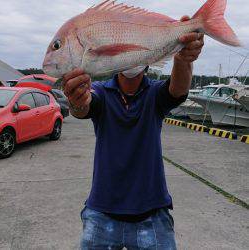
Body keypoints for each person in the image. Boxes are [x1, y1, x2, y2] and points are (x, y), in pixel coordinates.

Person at [63, 16, 204, 250]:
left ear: (148, 60)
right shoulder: (101, 92)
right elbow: (85, 107)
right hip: (101, 211)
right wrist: (76, 101)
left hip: (153, 211)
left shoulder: (155, 94)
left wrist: (183, 60)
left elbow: (177, 89)